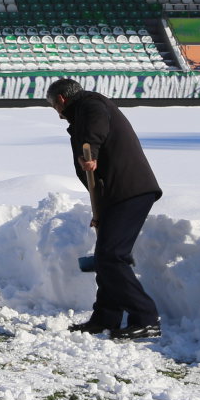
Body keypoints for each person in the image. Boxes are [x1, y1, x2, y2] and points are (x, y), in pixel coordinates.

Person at [46, 78, 162, 340]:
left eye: (54, 106)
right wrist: (100, 210)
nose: (58, 113)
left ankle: (146, 318)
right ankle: (105, 317)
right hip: (116, 194)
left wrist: (92, 152)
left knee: (112, 256)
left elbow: (95, 129)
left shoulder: (91, 104)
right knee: (106, 257)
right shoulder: (83, 110)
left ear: (61, 100)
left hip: (130, 190)